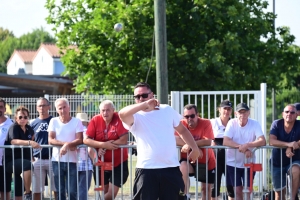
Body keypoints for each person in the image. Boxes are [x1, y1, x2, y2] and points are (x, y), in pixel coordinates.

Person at [119, 82, 200, 200]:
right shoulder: (135, 116)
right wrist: (145, 105)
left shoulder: (166, 110)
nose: (141, 99)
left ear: (152, 95)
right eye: (137, 97)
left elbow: (183, 131)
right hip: (146, 170)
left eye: (144, 96)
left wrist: (195, 147)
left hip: (171, 168)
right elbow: (121, 113)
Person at [84, 100, 129, 200]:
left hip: (119, 163)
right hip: (101, 163)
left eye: (108, 110)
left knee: (111, 194)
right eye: (103, 110)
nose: (105, 113)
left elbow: (123, 140)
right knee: (103, 191)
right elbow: (86, 140)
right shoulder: (95, 119)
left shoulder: (119, 119)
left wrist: (105, 146)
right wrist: (102, 145)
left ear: (113, 110)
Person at [223, 102, 266, 200]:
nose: (243, 115)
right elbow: (226, 141)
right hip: (232, 163)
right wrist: (243, 148)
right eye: (240, 112)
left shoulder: (255, 123)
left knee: (247, 191)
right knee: (237, 191)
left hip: (249, 163)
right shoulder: (231, 123)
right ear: (235, 114)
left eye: (245, 112)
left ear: (249, 113)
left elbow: (262, 141)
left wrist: (247, 145)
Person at [175, 104, 216, 200]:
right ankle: (186, 196)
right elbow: (175, 139)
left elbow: (208, 141)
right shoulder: (180, 124)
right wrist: (195, 148)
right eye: (186, 116)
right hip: (188, 159)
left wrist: (190, 145)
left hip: (206, 161)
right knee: (183, 166)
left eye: (192, 116)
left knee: (206, 189)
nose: (189, 119)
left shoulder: (206, 123)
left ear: (197, 115)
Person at [48, 98, 83, 200]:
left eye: (64, 107)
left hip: (72, 161)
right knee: (60, 191)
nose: (63, 110)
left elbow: (80, 139)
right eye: (60, 108)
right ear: (56, 110)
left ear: (69, 107)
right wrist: (67, 144)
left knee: (72, 191)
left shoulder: (77, 121)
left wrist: (66, 145)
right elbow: (50, 139)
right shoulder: (53, 121)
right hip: (57, 160)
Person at [4, 106, 41, 200]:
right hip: (10, 161)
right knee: (28, 165)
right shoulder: (14, 127)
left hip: (23, 162)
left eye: (25, 117)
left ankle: (24, 193)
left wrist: (32, 155)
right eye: (20, 117)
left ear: (28, 118)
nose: (23, 119)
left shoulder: (29, 129)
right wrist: (29, 142)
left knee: (18, 186)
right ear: (16, 118)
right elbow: (13, 141)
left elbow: (32, 142)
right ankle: (28, 193)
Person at [269, 104, 300, 200]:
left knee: (296, 170)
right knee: (279, 195)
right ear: (283, 114)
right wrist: (289, 145)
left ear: (296, 115)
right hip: (277, 162)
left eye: (292, 112)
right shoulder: (276, 124)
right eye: (287, 112)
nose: (289, 114)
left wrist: (292, 146)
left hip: (293, 160)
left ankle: (292, 197)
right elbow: (271, 141)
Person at [30, 97, 57, 200]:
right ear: (37, 108)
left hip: (53, 159)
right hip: (38, 159)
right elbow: (30, 140)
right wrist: (32, 158)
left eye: (44, 105)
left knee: (57, 188)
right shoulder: (33, 123)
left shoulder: (54, 121)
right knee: (37, 190)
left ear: (49, 107)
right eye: (39, 106)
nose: (42, 108)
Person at [210, 99, 235, 200]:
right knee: (214, 187)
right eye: (225, 108)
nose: (227, 111)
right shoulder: (213, 122)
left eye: (229, 109)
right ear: (219, 110)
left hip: (231, 159)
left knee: (231, 187)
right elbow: (208, 138)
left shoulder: (234, 123)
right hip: (215, 159)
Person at [75, 113, 93, 200]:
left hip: (72, 163)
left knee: (73, 190)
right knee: (83, 189)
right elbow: (90, 150)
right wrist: (94, 160)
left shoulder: (74, 131)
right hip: (86, 164)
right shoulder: (88, 132)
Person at [0, 98, 13, 199]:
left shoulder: (12, 124)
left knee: (5, 190)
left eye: (0, 107)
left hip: (5, 163)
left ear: (4, 109)